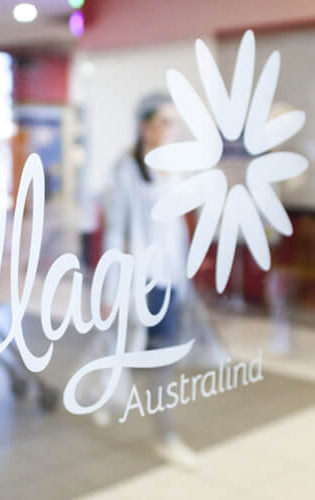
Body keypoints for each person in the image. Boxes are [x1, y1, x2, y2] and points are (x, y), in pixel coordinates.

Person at [101, 93, 198, 468]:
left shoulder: (172, 169)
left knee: (150, 354)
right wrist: (110, 289)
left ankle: (109, 392)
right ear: (146, 127)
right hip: (142, 281)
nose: (172, 130)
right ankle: (166, 436)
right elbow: (115, 232)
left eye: (175, 123)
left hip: (170, 280)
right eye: (165, 122)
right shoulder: (126, 170)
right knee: (157, 357)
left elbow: (175, 231)